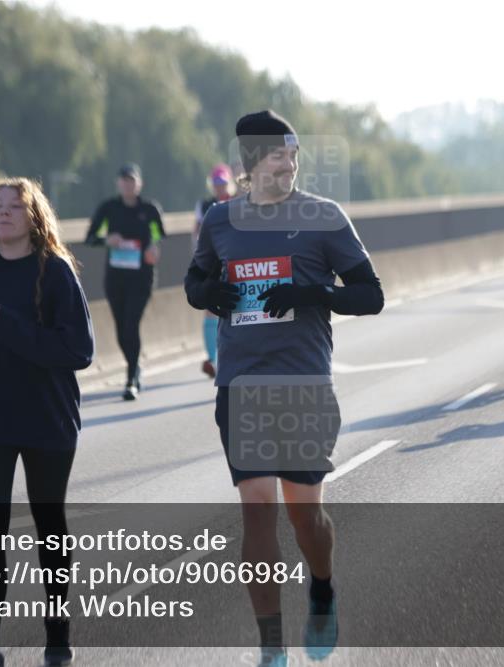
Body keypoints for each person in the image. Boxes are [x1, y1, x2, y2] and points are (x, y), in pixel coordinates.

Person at [185, 110, 383, 666]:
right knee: (256, 510)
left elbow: (370, 294)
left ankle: (321, 588)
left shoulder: (323, 217)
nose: (290, 163)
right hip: (241, 384)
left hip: (302, 384)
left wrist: (311, 293)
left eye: (295, 153)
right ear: (251, 163)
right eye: (279, 154)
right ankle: (271, 646)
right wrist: (210, 295)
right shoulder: (222, 220)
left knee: (305, 518)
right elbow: (194, 280)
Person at [0, 177, 95, 667]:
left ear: (34, 217)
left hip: (46, 419)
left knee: (49, 525)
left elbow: (79, 351)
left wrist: (7, 325)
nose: (2, 213)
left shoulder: (55, 274)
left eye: (13, 206)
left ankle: (57, 639)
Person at [85, 163, 166, 400]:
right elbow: (90, 237)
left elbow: (158, 233)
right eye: (124, 180)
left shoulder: (149, 209)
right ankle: (135, 366)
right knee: (121, 330)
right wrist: (107, 240)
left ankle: (131, 378)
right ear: (118, 183)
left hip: (141, 278)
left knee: (131, 324)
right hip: (116, 278)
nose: (128, 184)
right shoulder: (109, 209)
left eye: (132, 180)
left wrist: (153, 246)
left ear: (139, 183)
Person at [194, 163, 236, 378]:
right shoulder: (204, 205)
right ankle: (213, 358)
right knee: (210, 308)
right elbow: (197, 234)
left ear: (230, 182)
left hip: (236, 262)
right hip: (213, 263)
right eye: (216, 183)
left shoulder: (239, 202)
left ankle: (233, 354)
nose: (220, 187)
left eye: (223, 183)